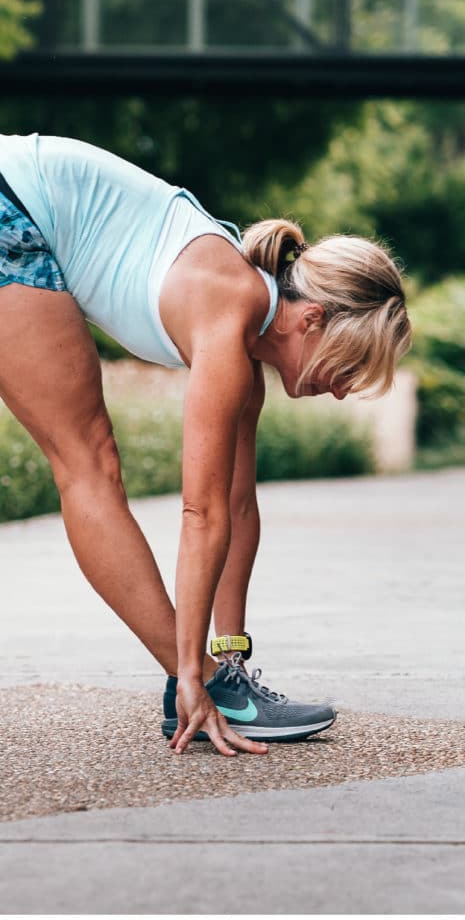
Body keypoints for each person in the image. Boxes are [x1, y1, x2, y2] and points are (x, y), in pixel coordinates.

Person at [0, 134, 411, 757]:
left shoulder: (246, 359)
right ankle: (194, 687)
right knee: (87, 464)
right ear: (314, 320)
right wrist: (191, 668)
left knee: (97, 465)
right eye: (348, 368)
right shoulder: (232, 306)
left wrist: (227, 651)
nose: (343, 392)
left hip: (28, 204)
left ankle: (215, 684)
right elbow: (201, 511)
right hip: (14, 204)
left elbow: (238, 507)